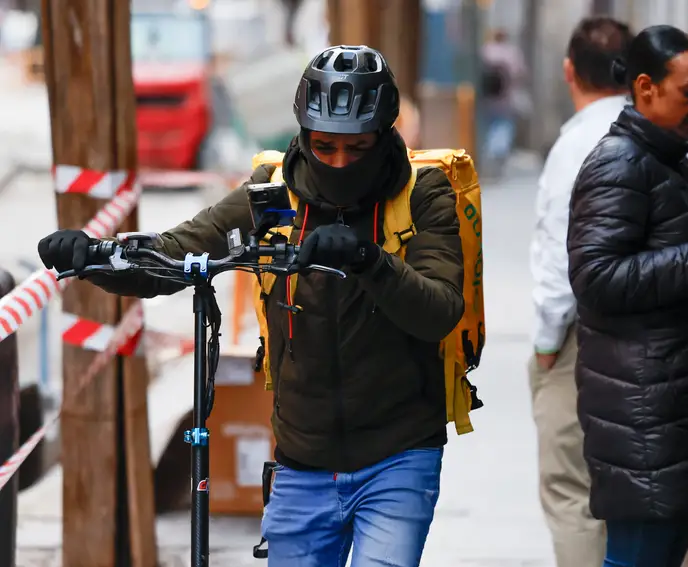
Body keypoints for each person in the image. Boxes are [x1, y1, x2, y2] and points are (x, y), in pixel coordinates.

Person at [37, 46, 465, 567]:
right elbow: (177, 253)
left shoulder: (424, 196)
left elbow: (440, 309)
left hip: (398, 456)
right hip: (301, 463)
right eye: (324, 146)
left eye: (358, 147)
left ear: (385, 136)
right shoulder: (272, 197)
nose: (339, 161)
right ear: (305, 135)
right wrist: (96, 259)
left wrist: (368, 260)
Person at [566, 25, 688, 567]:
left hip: (669, 408)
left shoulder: (663, 156)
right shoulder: (620, 162)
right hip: (645, 415)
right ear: (645, 88)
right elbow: (595, 275)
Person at [527, 16, 633, 567]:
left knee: (571, 488)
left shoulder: (575, 148)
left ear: (570, 71)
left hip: (579, 338)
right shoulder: (653, 131)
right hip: (648, 337)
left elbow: (556, 253)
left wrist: (546, 343)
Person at [479, 28, 528, 176]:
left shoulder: (486, 51)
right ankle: (498, 151)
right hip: (506, 98)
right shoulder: (512, 53)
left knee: (490, 125)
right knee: (504, 125)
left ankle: (490, 151)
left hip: (488, 98)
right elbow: (521, 72)